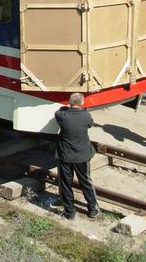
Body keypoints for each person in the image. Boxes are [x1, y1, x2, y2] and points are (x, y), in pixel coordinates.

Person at [55, 92, 100, 220]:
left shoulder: (61, 115)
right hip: (82, 156)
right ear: (81, 103)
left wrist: (66, 107)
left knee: (65, 183)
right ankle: (92, 209)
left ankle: (69, 212)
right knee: (86, 182)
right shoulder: (85, 116)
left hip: (65, 155)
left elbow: (59, 110)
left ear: (69, 103)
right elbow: (90, 124)